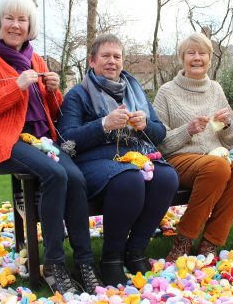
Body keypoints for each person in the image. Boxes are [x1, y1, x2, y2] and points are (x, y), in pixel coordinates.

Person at [0, 0, 102, 295]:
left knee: (75, 178)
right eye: (9, 18)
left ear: (29, 25)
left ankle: (85, 262)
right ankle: (53, 264)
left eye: (22, 20)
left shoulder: (36, 60)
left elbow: (52, 113)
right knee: (56, 174)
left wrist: (52, 91)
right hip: (3, 140)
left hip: (39, 140)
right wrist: (16, 86)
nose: (15, 25)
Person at [57, 34, 179, 286]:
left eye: (117, 56)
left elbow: (159, 132)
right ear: (92, 61)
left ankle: (135, 251)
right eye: (105, 56)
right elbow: (66, 142)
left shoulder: (135, 93)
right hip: (93, 163)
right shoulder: (78, 95)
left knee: (167, 177)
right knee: (130, 179)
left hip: (135, 155)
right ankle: (111, 258)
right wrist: (102, 125)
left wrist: (145, 124)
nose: (112, 61)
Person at [152, 32, 233, 261]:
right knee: (217, 168)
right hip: (180, 160)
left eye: (202, 53)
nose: (197, 57)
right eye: (191, 53)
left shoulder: (216, 89)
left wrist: (227, 124)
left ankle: (211, 241)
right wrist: (186, 130)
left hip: (216, 156)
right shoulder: (167, 92)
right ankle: (184, 238)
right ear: (182, 58)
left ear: (210, 58)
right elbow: (157, 140)